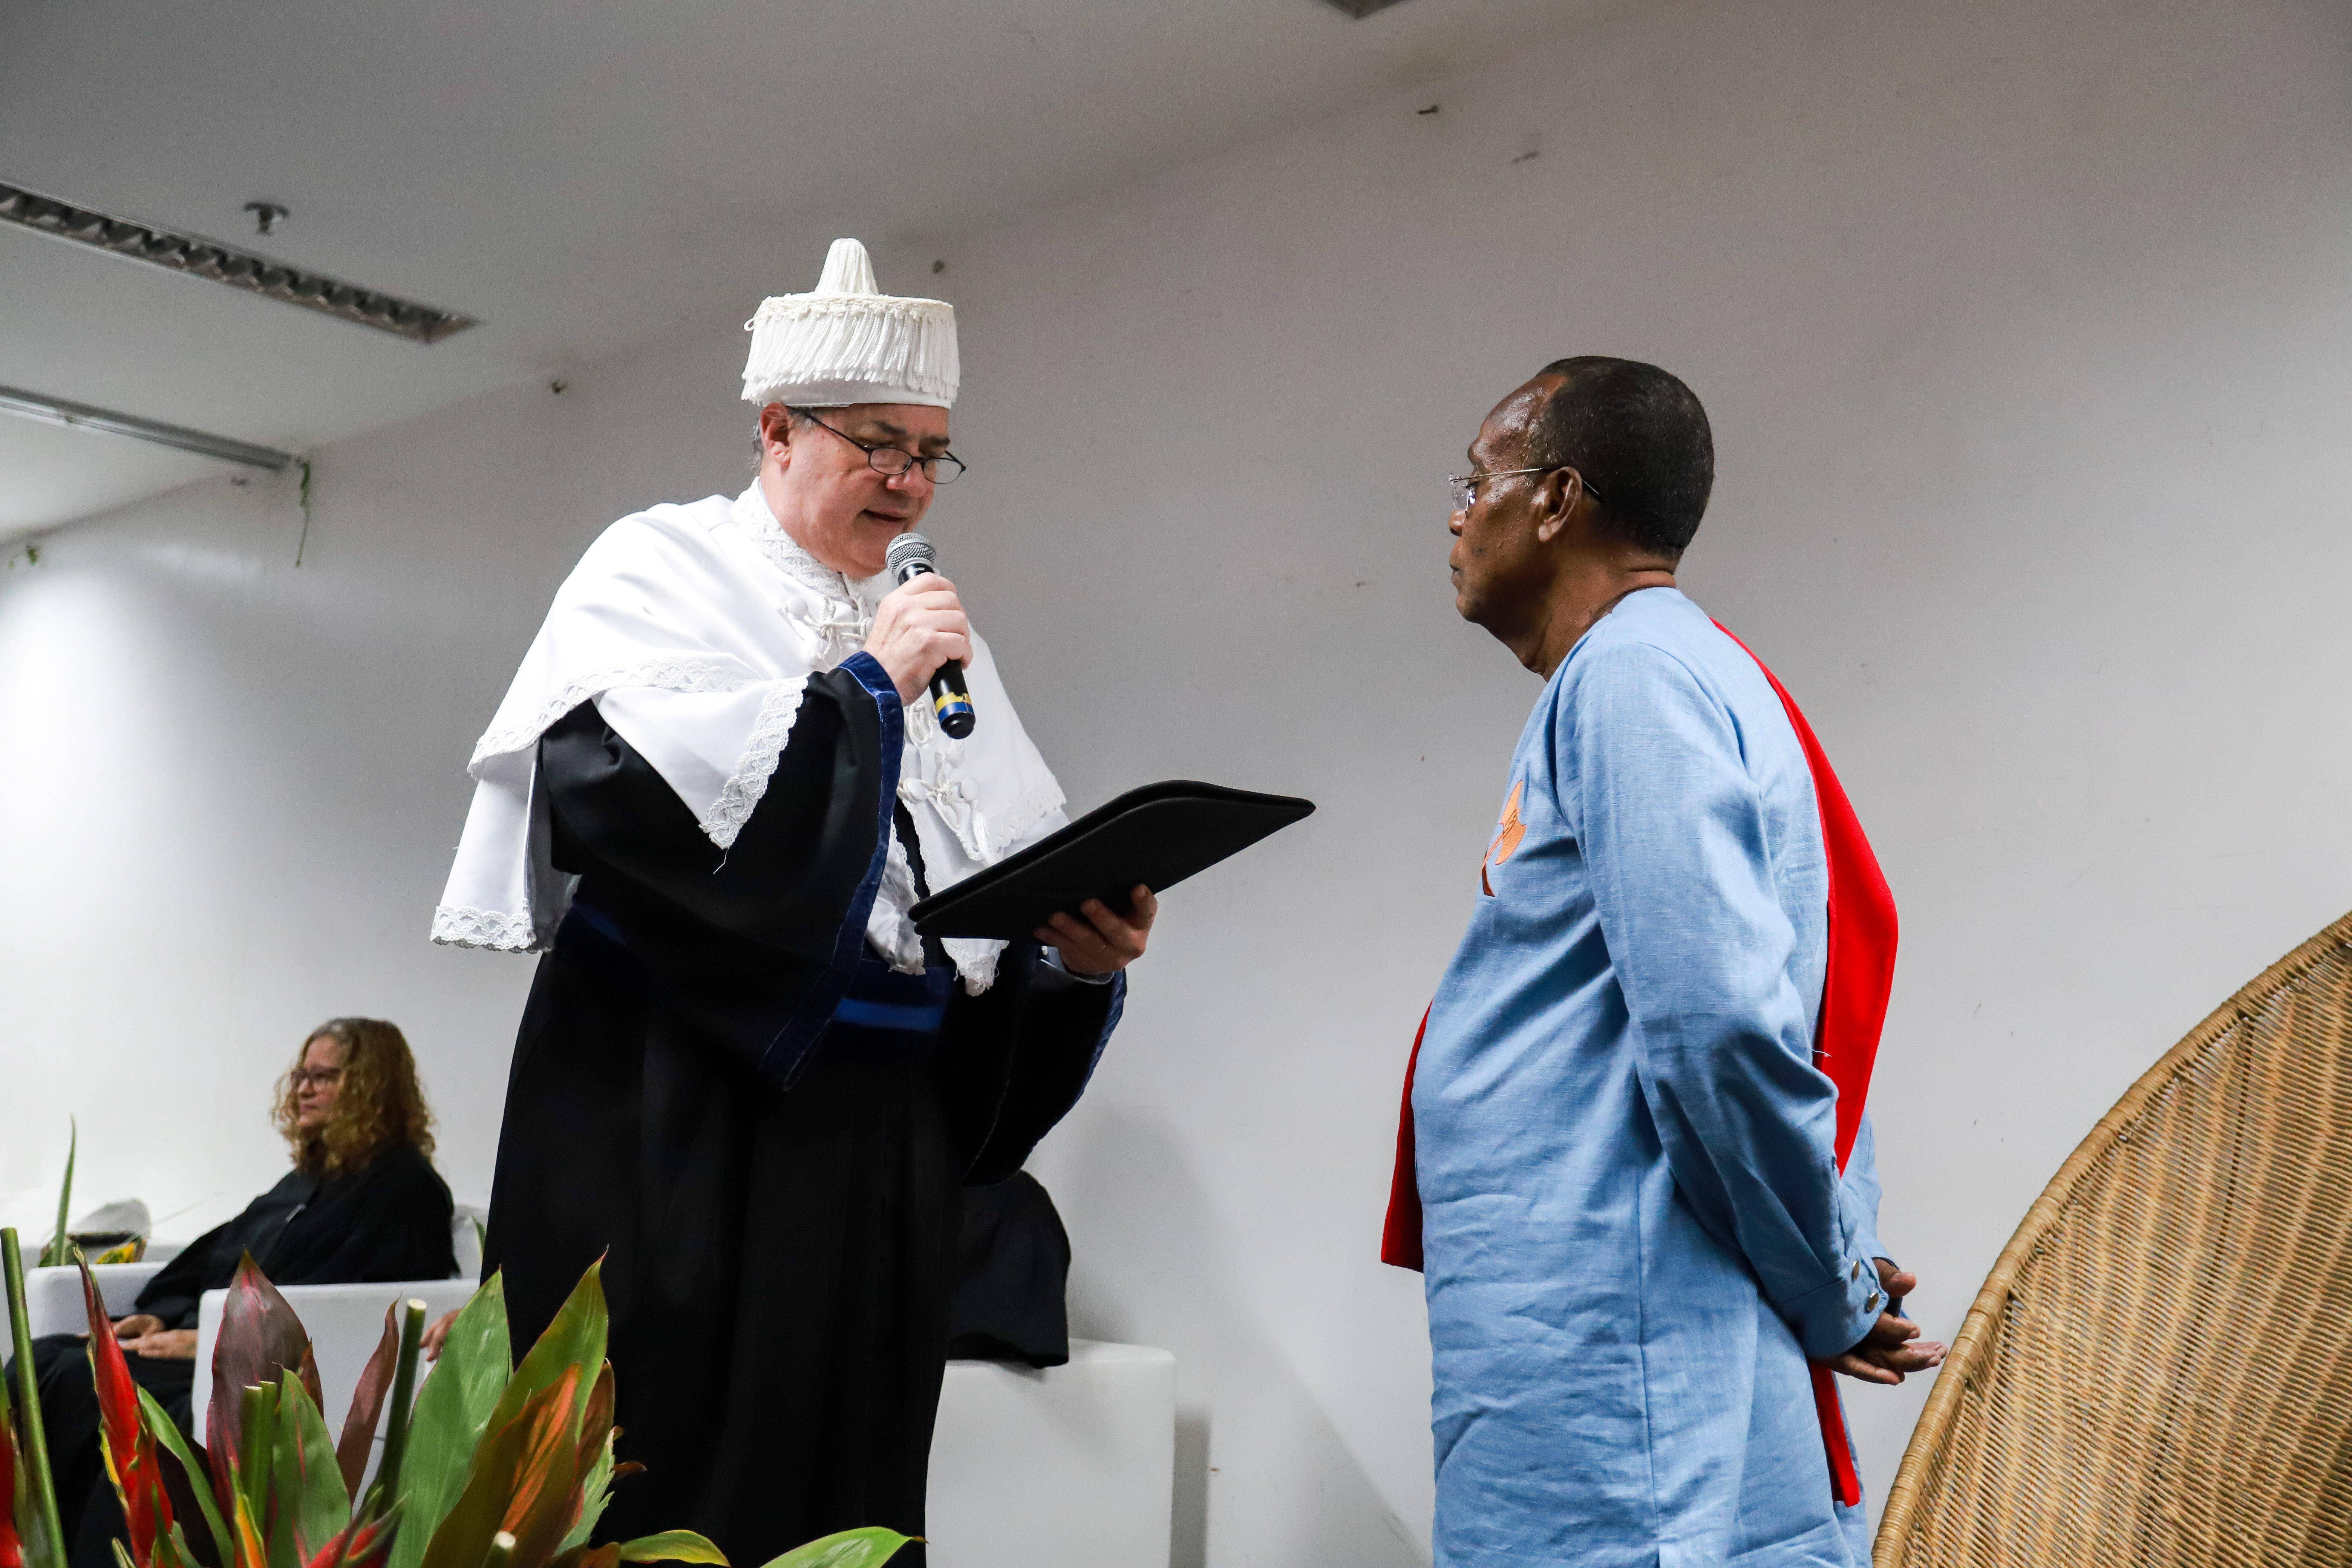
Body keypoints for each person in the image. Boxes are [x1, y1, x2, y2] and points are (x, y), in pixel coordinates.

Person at [430, 238, 1152, 1566]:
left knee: (849, 1497)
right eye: (879, 443)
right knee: (663, 1486)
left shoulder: (940, 632)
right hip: (684, 1132)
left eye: (932, 454)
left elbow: (967, 907)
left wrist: (1074, 960)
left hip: (879, 1160)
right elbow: (616, 799)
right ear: (776, 430)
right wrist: (865, 691)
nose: (910, 480)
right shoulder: (658, 566)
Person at [1383, 358, 1946, 1566]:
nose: (1455, 517)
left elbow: (1718, 1026)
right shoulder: (1651, 672)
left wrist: (1828, 1278)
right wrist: (1829, 1257)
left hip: (1625, 1375)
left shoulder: (1635, 678)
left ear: (1554, 500)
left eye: (1475, 483)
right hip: (1623, 1338)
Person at [17, 1018, 455, 1568]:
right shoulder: (305, 1180)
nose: (304, 1089)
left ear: (373, 1087)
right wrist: (162, 1316)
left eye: (324, 1076)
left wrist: (212, 1342)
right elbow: (218, 1258)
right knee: (50, 1359)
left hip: (270, 1370)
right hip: (210, 1340)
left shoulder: (406, 1189)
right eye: (300, 1075)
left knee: (130, 1398)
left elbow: (350, 1298)